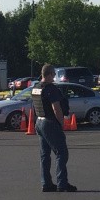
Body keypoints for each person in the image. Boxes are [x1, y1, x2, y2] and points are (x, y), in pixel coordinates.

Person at [31, 63, 77, 192]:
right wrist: (61, 123)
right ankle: (62, 183)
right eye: (54, 74)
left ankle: (46, 183)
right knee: (61, 152)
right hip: (50, 122)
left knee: (44, 155)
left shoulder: (36, 87)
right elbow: (56, 108)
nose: (54, 77)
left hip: (39, 122)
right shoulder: (51, 89)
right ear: (50, 74)